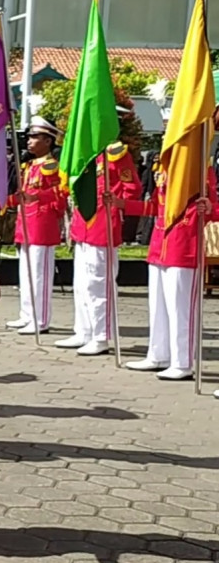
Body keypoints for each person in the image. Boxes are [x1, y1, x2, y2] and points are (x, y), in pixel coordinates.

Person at [123, 156, 219, 382]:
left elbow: (213, 206)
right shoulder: (164, 167)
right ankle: (158, 354)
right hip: (160, 243)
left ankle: (182, 362)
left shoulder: (199, 167)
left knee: (181, 307)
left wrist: (209, 208)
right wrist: (123, 205)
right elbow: (157, 205)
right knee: (157, 305)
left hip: (183, 244)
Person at [56, 140, 140, 356]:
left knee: (99, 284)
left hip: (103, 225)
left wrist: (118, 203)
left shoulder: (115, 154)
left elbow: (132, 189)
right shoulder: (84, 156)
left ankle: (101, 336)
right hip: (83, 225)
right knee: (82, 283)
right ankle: (83, 331)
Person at [5, 117, 65, 335]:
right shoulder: (29, 165)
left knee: (40, 274)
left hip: (42, 223)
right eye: (29, 137)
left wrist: (37, 196)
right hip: (26, 222)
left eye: (34, 137)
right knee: (26, 272)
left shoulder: (51, 167)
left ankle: (41, 320)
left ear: (48, 141)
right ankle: (27, 314)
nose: (29, 142)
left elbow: (61, 194)